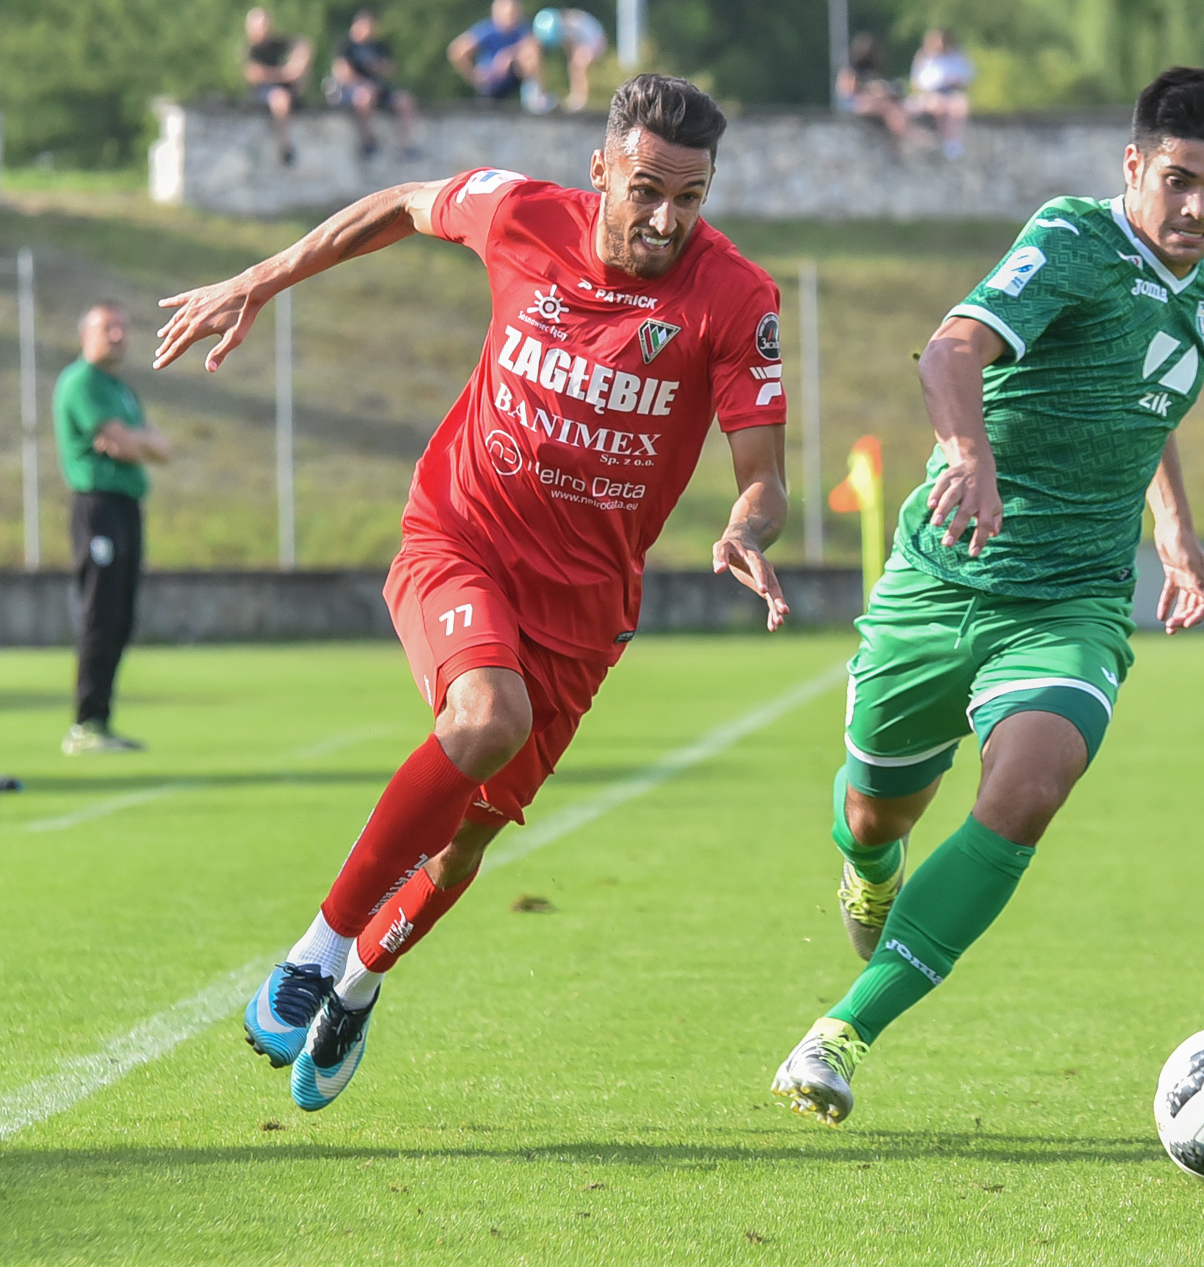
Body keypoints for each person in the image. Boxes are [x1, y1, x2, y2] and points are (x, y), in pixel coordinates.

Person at [154, 74, 790, 1113]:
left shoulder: (735, 296)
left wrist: (743, 527)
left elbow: (763, 476)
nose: (665, 219)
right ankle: (315, 952)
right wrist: (263, 279)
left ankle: (357, 986)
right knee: (489, 715)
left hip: (583, 607)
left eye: (690, 197)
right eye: (645, 190)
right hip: (463, 537)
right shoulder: (520, 212)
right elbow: (403, 203)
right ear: (600, 171)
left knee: (462, 845)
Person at [770, 65, 1204, 1125]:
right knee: (872, 811)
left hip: (1071, 602)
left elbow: (1146, 403)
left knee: (1031, 784)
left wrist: (1172, 529)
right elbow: (952, 350)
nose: (1196, 206)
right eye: (1177, 179)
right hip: (943, 576)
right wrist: (968, 454)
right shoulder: (1074, 241)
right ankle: (871, 867)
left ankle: (840, 1032)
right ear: (1133, 165)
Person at [54, 302, 170, 755]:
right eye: (108, 328)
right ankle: (84, 723)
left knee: (122, 615)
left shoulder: (120, 389)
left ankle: (101, 720)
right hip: (97, 506)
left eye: (123, 326)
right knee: (100, 611)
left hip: (127, 505)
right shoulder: (80, 382)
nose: (119, 335)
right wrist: (135, 442)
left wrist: (134, 441)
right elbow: (124, 444)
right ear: (86, 335)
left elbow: (161, 447)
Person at [328, 8, 416, 159]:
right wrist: (364, 80)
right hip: (352, 90)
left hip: (377, 88)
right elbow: (342, 74)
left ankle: (405, 145)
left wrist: (377, 67)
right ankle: (368, 140)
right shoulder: (346, 45)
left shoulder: (379, 46)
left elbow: (390, 69)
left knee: (405, 101)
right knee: (365, 97)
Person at [448, 0, 547, 111]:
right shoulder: (487, 30)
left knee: (530, 53)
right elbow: (457, 51)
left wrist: (508, 55)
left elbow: (533, 45)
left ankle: (536, 96)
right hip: (492, 79)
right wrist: (473, 76)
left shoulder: (521, 29)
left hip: (514, 75)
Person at [243, 8, 313, 166]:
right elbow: (254, 75)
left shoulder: (278, 44)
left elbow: (303, 46)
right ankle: (284, 144)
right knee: (280, 99)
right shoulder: (252, 50)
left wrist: (298, 66)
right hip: (265, 92)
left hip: (288, 89)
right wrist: (285, 74)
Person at [904, 29, 975, 160]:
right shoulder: (924, 57)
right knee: (939, 105)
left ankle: (954, 141)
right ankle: (943, 139)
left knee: (960, 105)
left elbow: (966, 75)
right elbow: (918, 82)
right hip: (931, 93)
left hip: (951, 91)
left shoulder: (956, 56)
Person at [836, 31, 914, 147]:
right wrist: (870, 88)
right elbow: (847, 91)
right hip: (853, 105)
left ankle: (901, 140)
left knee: (895, 104)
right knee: (887, 108)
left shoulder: (870, 70)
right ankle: (908, 135)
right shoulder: (850, 69)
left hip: (871, 103)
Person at [532, 6, 606, 112]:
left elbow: (573, 44)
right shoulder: (562, 24)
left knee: (578, 65)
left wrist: (582, 55)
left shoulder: (570, 25)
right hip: (585, 39)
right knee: (573, 64)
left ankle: (580, 99)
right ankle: (544, 93)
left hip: (594, 40)